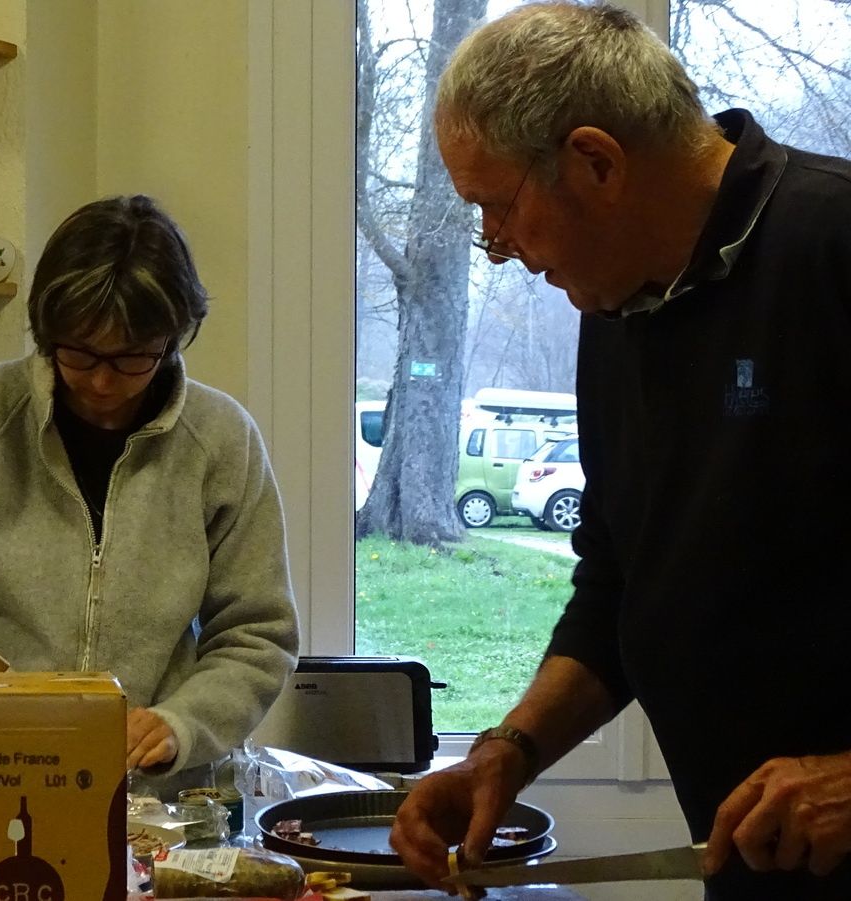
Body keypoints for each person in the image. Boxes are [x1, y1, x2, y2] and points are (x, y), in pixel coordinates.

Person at [388, 3, 851, 897]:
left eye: (498, 209)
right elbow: (620, 586)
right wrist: (510, 749)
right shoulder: (618, 310)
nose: (498, 250)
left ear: (596, 162)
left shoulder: (833, 247)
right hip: (757, 864)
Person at [0, 195, 299, 783]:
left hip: (160, 798)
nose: (101, 382)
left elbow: (259, 634)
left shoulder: (223, 439)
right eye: (79, 353)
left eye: (132, 359)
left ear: (174, 337)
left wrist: (181, 724)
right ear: (47, 329)